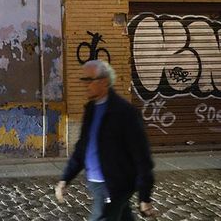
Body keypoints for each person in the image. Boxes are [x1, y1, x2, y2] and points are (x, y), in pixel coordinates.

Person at [55, 60, 155, 220]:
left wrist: (144, 195)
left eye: (89, 80)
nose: (85, 85)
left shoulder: (125, 113)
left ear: (104, 81)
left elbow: (142, 156)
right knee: (122, 216)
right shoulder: (91, 109)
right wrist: (66, 178)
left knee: (102, 216)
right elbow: (82, 148)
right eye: (84, 80)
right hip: (97, 183)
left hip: (115, 184)